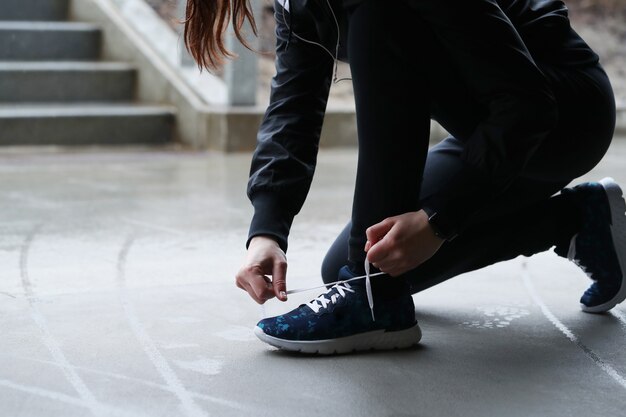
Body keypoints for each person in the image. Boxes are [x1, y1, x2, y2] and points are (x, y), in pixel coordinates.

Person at [185, 0, 624, 354]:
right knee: (363, 263)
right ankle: (576, 219)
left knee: (379, 16)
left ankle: (377, 304)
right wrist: (267, 229)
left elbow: (528, 104)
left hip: (564, 116)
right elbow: (293, 107)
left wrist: (440, 218)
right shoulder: (296, 5)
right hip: (487, 130)